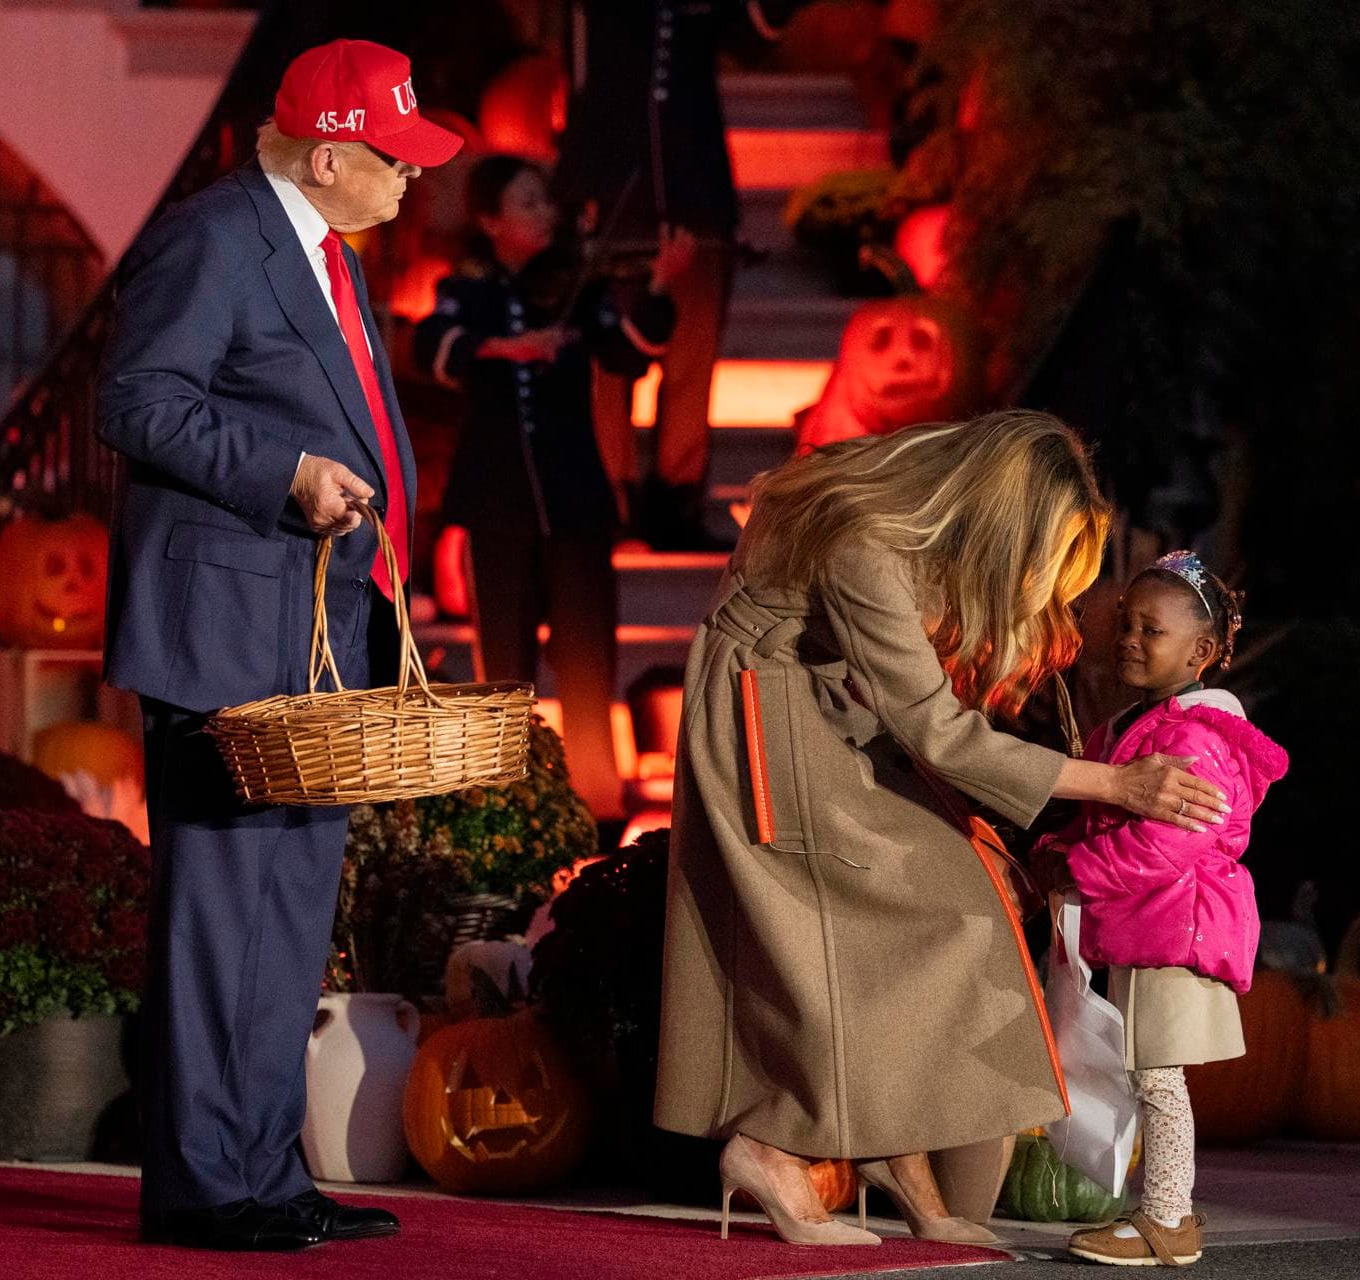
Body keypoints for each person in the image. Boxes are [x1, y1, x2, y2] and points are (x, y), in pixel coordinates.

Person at [654, 412, 1233, 1246]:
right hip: (767, 721)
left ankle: (895, 1148)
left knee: (965, 885)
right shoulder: (865, 548)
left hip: (827, 712)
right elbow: (938, 731)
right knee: (875, 914)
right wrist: (1116, 783)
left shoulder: (899, 532)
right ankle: (772, 1148)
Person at [97, 40, 463, 1251]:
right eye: (394, 157)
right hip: (221, 633)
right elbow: (137, 398)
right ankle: (204, 1187)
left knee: (287, 921)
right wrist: (285, 472)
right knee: (219, 920)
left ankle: (264, 1172)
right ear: (327, 155)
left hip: (310, 636)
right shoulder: (214, 239)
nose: (411, 177)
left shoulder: (325, 253)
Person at [413, 156, 694, 821]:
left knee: (588, 659)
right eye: (528, 203)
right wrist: (500, 349)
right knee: (502, 665)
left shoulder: (580, 288)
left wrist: (657, 286)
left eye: (545, 201)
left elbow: (626, 352)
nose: (546, 213)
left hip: (576, 501)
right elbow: (433, 345)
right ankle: (505, 804)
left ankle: (597, 801)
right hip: (496, 502)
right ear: (490, 221)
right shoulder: (466, 291)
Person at [1035, 551, 1287, 1267]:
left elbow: (1170, 842)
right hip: (1144, 922)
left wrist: (1078, 869)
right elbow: (1105, 815)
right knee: (1147, 1071)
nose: (1129, 640)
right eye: (1126, 624)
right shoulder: (1133, 724)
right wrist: (1057, 850)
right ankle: (1160, 1211)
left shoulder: (1197, 736)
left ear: (1201, 652)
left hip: (1178, 925)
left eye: (1152, 630)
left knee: (1157, 1076)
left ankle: (1168, 1219)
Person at [552, 0, 809, 549]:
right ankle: (610, 503)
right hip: (614, 187)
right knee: (608, 360)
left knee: (692, 355)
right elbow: (579, 70)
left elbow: (750, 39)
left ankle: (676, 502)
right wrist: (579, 186)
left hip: (697, 188)